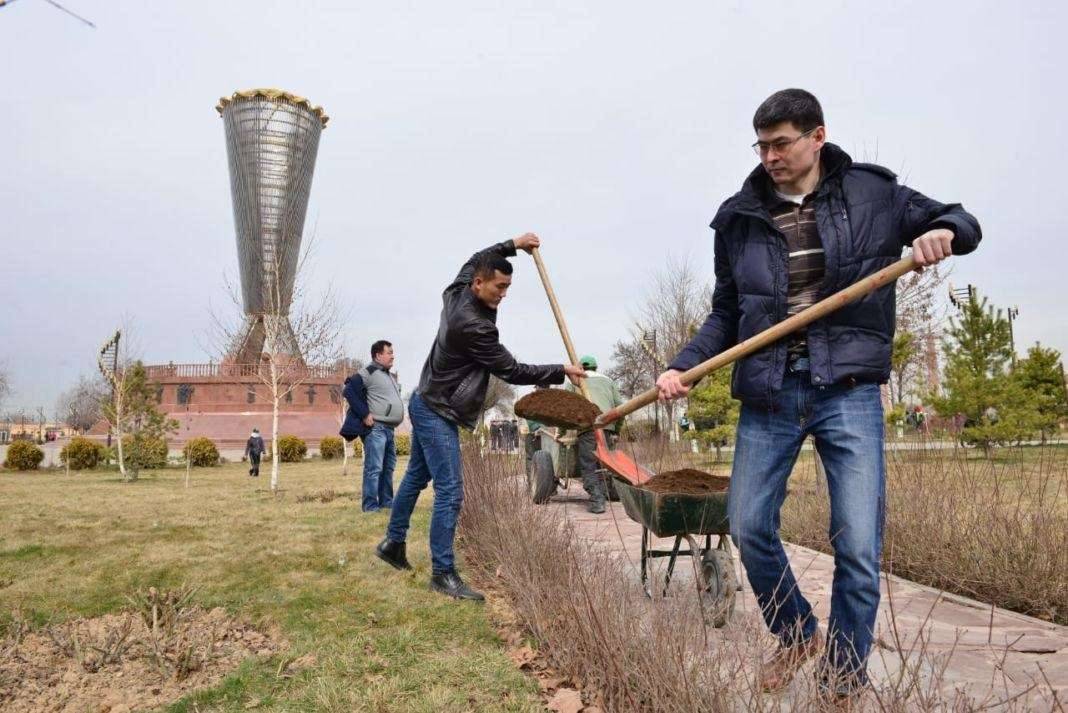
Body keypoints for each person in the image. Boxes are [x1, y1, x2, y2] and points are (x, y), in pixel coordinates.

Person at [653, 89, 981, 701]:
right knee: (747, 524)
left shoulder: (874, 194)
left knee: (857, 542)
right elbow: (727, 311)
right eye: (762, 145)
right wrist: (685, 364)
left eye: (782, 143)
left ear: (817, 136)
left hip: (848, 389)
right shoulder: (738, 217)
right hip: (770, 390)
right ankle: (798, 631)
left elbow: (965, 221)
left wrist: (942, 232)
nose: (770, 156)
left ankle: (843, 673)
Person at [374, 233, 586, 601]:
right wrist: (561, 370)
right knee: (451, 491)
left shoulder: (457, 289)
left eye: (507, 287)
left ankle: (393, 543)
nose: (503, 293)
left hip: (426, 400)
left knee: (415, 477)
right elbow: (513, 369)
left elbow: (477, 255)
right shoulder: (473, 326)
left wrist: (513, 244)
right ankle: (443, 573)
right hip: (437, 410)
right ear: (479, 283)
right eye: (499, 287)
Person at [340, 340, 404, 512]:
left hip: (389, 429)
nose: (393, 355)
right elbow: (348, 391)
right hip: (376, 429)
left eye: (392, 352)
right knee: (374, 468)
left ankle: (386, 503)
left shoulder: (387, 375)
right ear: (378, 355)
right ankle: (370, 506)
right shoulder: (368, 371)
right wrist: (364, 414)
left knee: (388, 468)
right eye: (389, 352)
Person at [565, 355, 624, 513]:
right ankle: (606, 492)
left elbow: (564, 409)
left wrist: (562, 432)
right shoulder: (608, 381)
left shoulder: (574, 380)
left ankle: (597, 500)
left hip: (588, 428)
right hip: (607, 426)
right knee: (606, 464)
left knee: (588, 464)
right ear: (596, 368)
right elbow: (620, 407)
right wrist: (616, 431)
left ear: (581, 368)